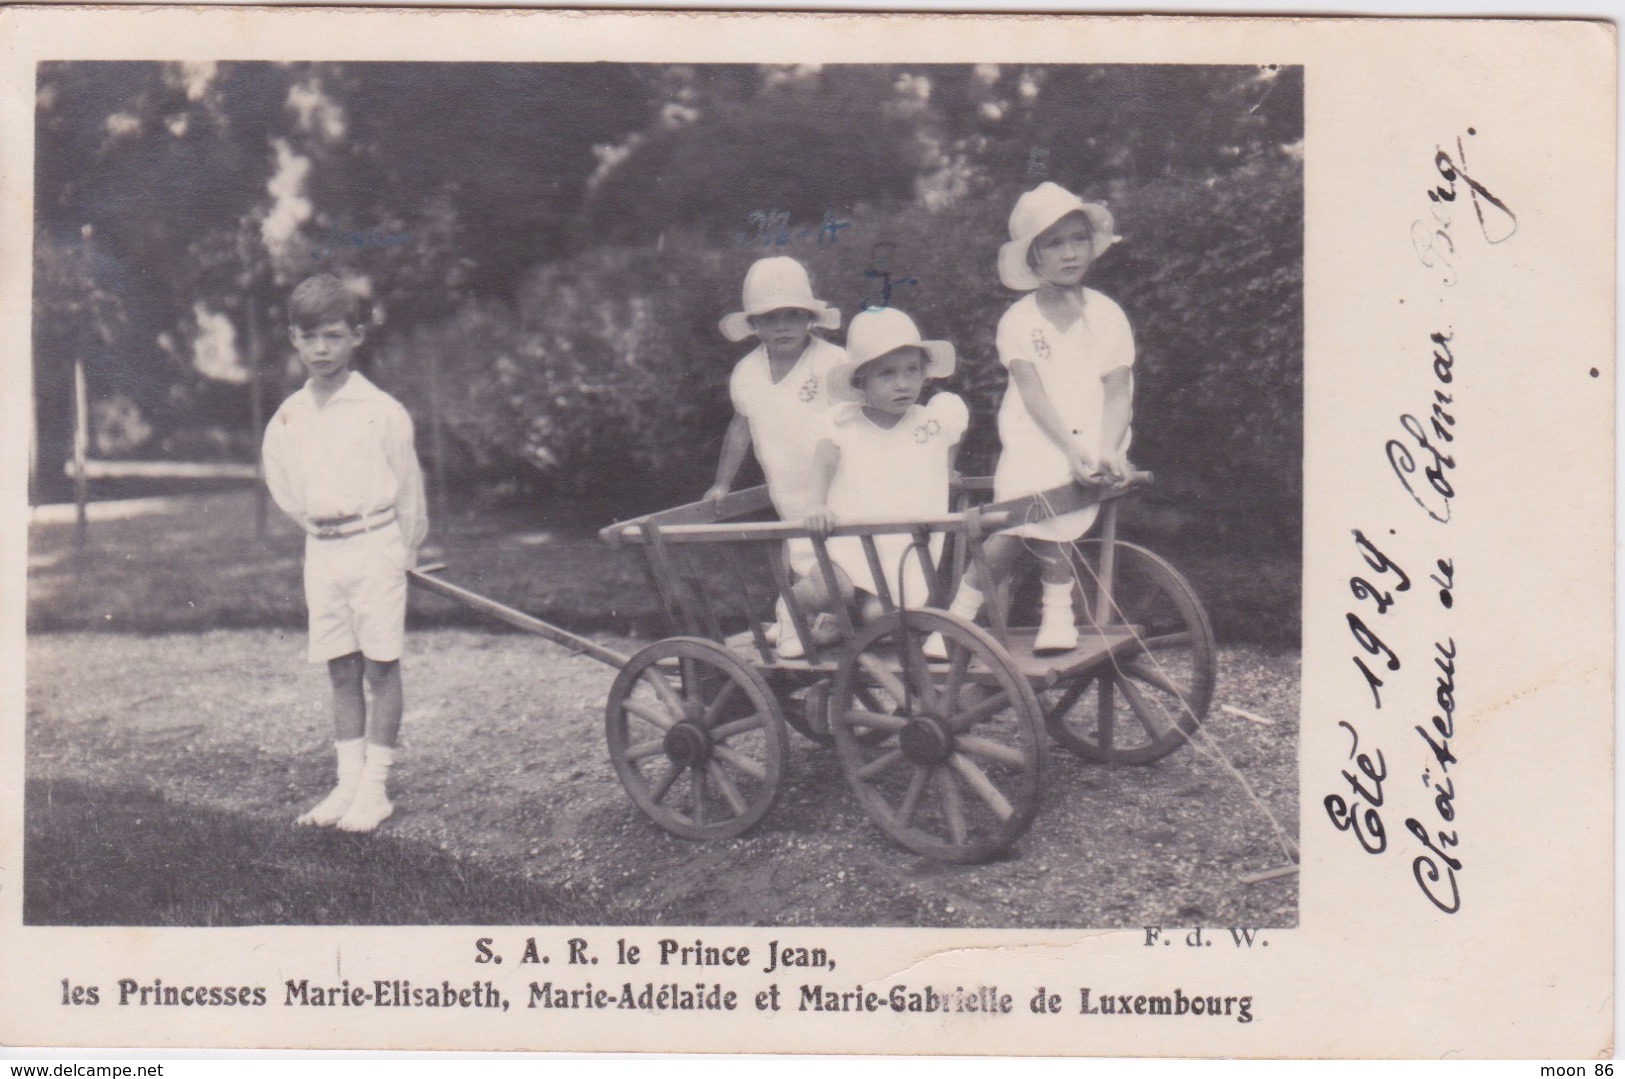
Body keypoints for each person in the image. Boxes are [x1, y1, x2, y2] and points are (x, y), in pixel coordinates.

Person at [927, 182, 1134, 659]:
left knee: (1058, 515)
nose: (1070, 253)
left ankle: (1057, 613)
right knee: (1016, 529)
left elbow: (1118, 390)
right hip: (1037, 438)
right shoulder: (1018, 321)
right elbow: (1033, 394)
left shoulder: (1108, 315)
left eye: (1078, 239)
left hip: (1097, 433)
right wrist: (1070, 451)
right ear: (1034, 257)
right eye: (1054, 244)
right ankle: (955, 619)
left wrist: (1106, 448)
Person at [262, 273, 428, 832]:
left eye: (333, 336)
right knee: (339, 670)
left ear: (357, 336)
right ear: (294, 339)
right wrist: (314, 523)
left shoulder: (380, 409)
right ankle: (347, 784)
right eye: (310, 338)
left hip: (375, 544)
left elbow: (408, 488)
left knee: (381, 667)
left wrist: (403, 549)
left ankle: (375, 790)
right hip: (324, 552)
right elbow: (282, 483)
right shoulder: (290, 415)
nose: (322, 350)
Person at [705, 256, 847, 658]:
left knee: (841, 555)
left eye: (792, 315)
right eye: (769, 318)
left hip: (838, 478)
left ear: (810, 318)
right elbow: (740, 427)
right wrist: (723, 483)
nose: (782, 326)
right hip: (787, 484)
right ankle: (797, 618)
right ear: (753, 325)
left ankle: (805, 615)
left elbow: (853, 420)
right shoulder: (747, 372)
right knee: (802, 552)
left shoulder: (832, 362)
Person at [800, 307, 965, 628]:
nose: (902, 384)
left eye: (911, 370)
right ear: (861, 380)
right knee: (835, 589)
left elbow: (952, 434)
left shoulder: (933, 420)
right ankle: (791, 607)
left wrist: (946, 468)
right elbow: (821, 470)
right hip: (844, 544)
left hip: (900, 553)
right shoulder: (843, 425)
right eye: (886, 374)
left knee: (882, 619)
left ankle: (838, 622)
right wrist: (816, 506)